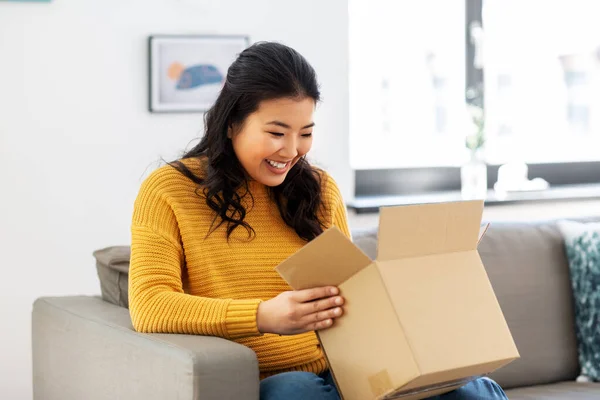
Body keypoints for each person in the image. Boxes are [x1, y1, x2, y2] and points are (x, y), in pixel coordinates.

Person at [128, 41, 508, 400]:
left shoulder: (320, 190)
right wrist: (263, 315)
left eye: (305, 133)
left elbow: (349, 303)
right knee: (300, 391)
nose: (292, 151)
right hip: (271, 381)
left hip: (345, 372)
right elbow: (150, 305)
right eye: (276, 133)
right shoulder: (169, 190)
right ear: (232, 124)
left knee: (474, 389)